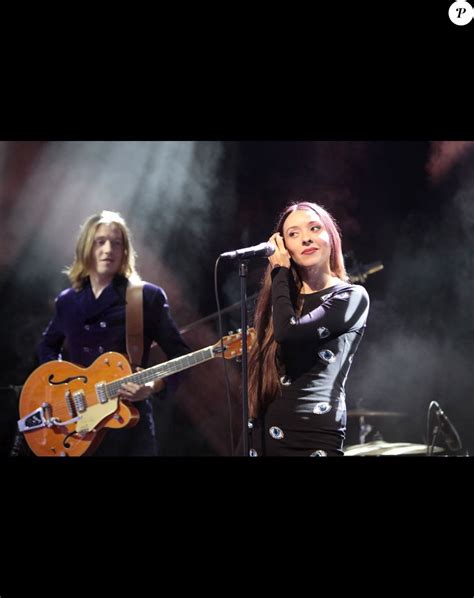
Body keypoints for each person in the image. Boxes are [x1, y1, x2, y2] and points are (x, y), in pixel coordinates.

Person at [37, 210, 190, 456]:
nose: (108, 249)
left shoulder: (145, 297)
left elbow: (181, 356)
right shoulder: (67, 300)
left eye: (116, 243)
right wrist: (58, 387)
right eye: (100, 241)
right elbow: (47, 346)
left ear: (124, 251)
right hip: (78, 426)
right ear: (86, 247)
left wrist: (153, 385)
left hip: (127, 426)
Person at [245, 201, 370, 456]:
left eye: (314, 228)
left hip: (314, 440)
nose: (306, 239)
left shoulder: (351, 296)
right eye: (293, 234)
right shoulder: (279, 302)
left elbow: (289, 334)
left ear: (331, 238)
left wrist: (279, 271)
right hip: (264, 438)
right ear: (283, 247)